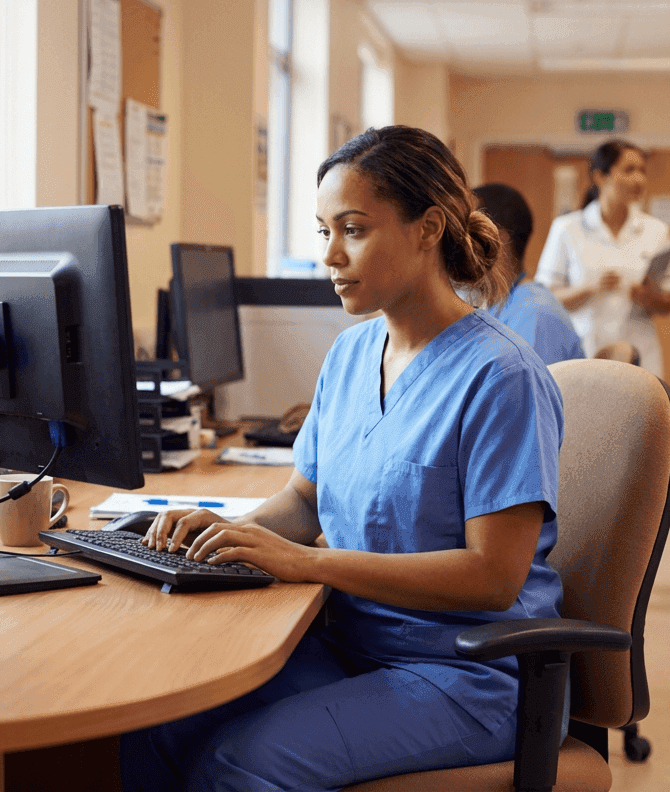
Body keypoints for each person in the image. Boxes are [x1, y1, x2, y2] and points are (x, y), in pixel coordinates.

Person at [119, 126, 566, 791]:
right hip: (354, 647)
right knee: (156, 724)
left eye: (352, 229)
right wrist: (221, 533)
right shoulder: (352, 356)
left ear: (427, 229)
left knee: (241, 762)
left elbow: (493, 576)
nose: (330, 255)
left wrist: (307, 563)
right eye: (324, 230)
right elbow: (304, 499)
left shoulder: (502, 377)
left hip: (466, 675)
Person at [534, 139, 670, 377]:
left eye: (642, 171)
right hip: (586, 350)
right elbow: (546, 297)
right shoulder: (567, 228)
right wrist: (589, 288)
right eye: (629, 170)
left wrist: (647, 297)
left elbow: (668, 303)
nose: (639, 179)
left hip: (640, 352)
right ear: (601, 177)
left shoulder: (657, 231)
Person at [474, 182, 584, 364]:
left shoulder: (535, 315)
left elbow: (527, 391)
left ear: (497, 239)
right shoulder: (504, 303)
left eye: (466, 229)